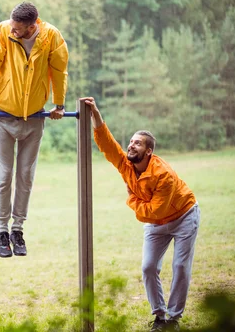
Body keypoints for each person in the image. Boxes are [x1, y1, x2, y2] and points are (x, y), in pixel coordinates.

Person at [82, 97, 199, 332]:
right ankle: (159, 316)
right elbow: (107, 143)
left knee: (180, 267)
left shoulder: (162, 174)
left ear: (149, 151)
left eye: (138, 143)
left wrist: (131, 199)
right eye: (131, 141)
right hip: (156, 223)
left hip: (183, 216)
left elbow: (155, 211)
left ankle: (174, 319)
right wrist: (95, 112)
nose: (131, 145)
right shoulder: (126, 165)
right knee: (148, 267)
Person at [0, 1, 69, 258]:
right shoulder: (2, 33)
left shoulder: (51, 37)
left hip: (35, 117)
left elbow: (59, 71)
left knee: (26, 176)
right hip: (4, 116)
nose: (13, 31)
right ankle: (1, 230)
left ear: (33, 26)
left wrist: (59, 104)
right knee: (3, 175)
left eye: (18, 29)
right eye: (12, 26)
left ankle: (18, 229)